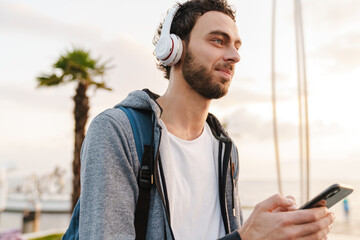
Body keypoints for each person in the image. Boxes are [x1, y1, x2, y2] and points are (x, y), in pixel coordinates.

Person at [63, 0, 335, 239]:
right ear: (174, 49)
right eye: (218, 40)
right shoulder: (117, 132)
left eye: (236, 45)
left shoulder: (225, 148)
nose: (234, 56)